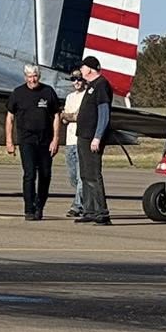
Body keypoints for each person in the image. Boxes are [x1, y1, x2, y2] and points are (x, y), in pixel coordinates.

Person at [3, 64, 63, 220]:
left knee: (45, 174)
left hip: (45, 140)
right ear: (25, 77)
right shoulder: (18, 93)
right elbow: (10, 117)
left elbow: (56, 115)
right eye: (29, 76)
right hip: (26, 140)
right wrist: (9, 141)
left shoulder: (48, 92)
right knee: (29, 174)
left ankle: (39, 205)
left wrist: (56, 139)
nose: (32, 79)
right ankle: (29, 209)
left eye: (35, 76)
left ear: (39, 76)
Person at [75, 55, 115, 226]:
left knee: (93, 175)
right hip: (83, 136)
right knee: (85, 175)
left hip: (92, 137)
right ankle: (89, 210)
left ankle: (102, 212)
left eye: (83, 68)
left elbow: (104, 113)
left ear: (90, 68)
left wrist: (97, 136)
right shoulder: (91, 86)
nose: (81, 71)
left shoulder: (101, 85)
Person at [61, 74, 87, 219]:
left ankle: (77, 206)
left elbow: (79, 116)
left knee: (81, 175)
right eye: (73, 79)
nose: (76, 82)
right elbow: (64, 118)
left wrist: (68, 115)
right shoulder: (70, 97)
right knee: (73, 177)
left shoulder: (87, 96)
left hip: (81, 140)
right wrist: (68, 116)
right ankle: (86, 200)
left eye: (79, 78)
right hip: (69, 141)